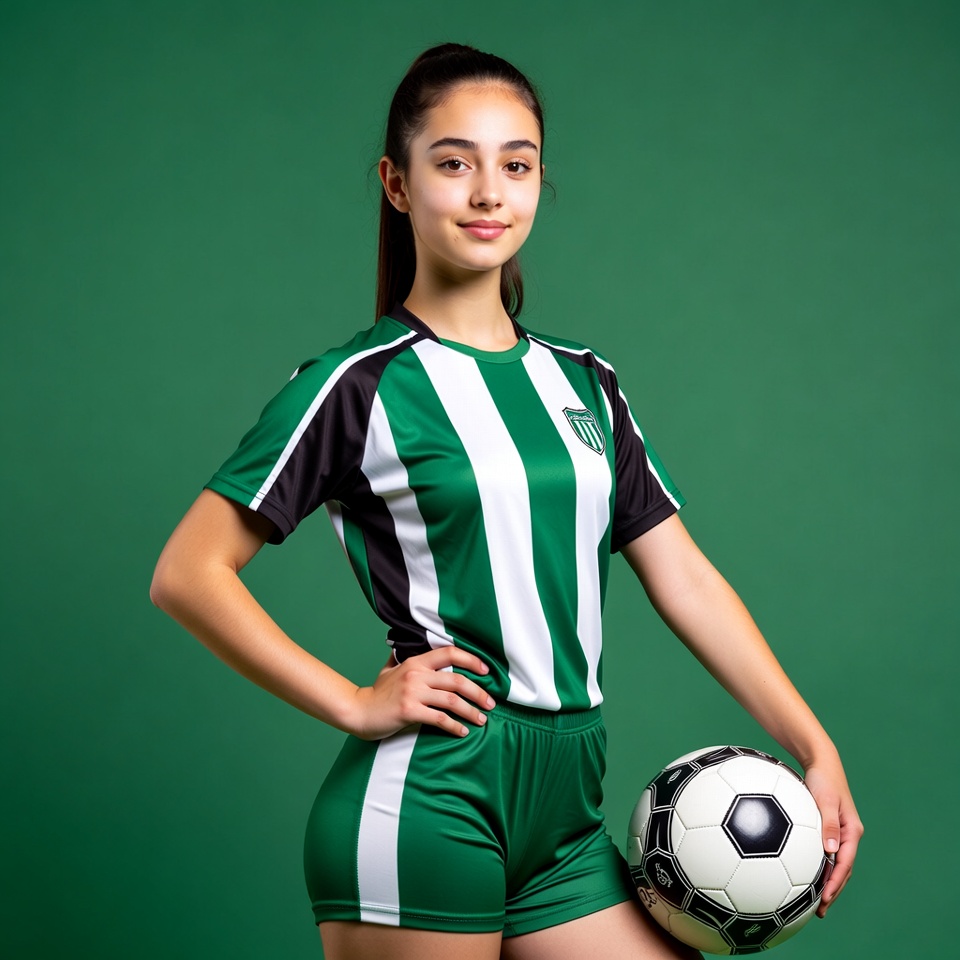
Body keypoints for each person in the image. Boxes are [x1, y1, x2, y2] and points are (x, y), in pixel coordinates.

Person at [150, 42, 862, 960]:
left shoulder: (586, 384)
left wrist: (813, 742)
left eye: (515, 165)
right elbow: (188, 573)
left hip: (567, 814)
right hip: (431, 799)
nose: (489, 192)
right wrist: (350, 702)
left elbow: (682, 576)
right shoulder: (357, 385)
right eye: (454, 162)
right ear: (396, 185)